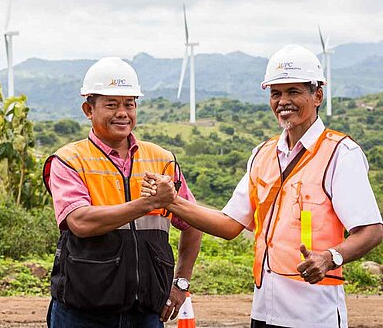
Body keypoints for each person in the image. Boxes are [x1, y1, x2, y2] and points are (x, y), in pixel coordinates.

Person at [142, 44, 383, 328]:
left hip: (315, 315)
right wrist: (171, 202)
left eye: (294, 92)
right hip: (264, 312)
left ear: (317, 95)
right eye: (276, 93)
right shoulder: (262, 155)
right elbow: (229, 224)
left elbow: (371, 230)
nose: (283, 101)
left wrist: (331, 257)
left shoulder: (341, 154)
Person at [43, 57, 202, 328]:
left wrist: (181, 283)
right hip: (81, 313)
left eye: (129, 104)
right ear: (88, 109)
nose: (122, 112)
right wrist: (145, 204)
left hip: (146, 314)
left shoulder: (162, 159)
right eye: (112, 104)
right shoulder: (69, 160)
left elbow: (193, 223)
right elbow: (80, 222)